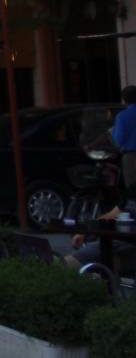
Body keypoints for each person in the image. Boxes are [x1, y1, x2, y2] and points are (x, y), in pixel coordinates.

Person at [65, 85, 136, 269]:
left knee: (74, 261)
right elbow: (116, 213)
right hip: (118, 241)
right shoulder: (131, 194)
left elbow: (117, 138)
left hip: (125, 245)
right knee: (68, 262)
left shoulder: (123, 116)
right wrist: (89, 231)